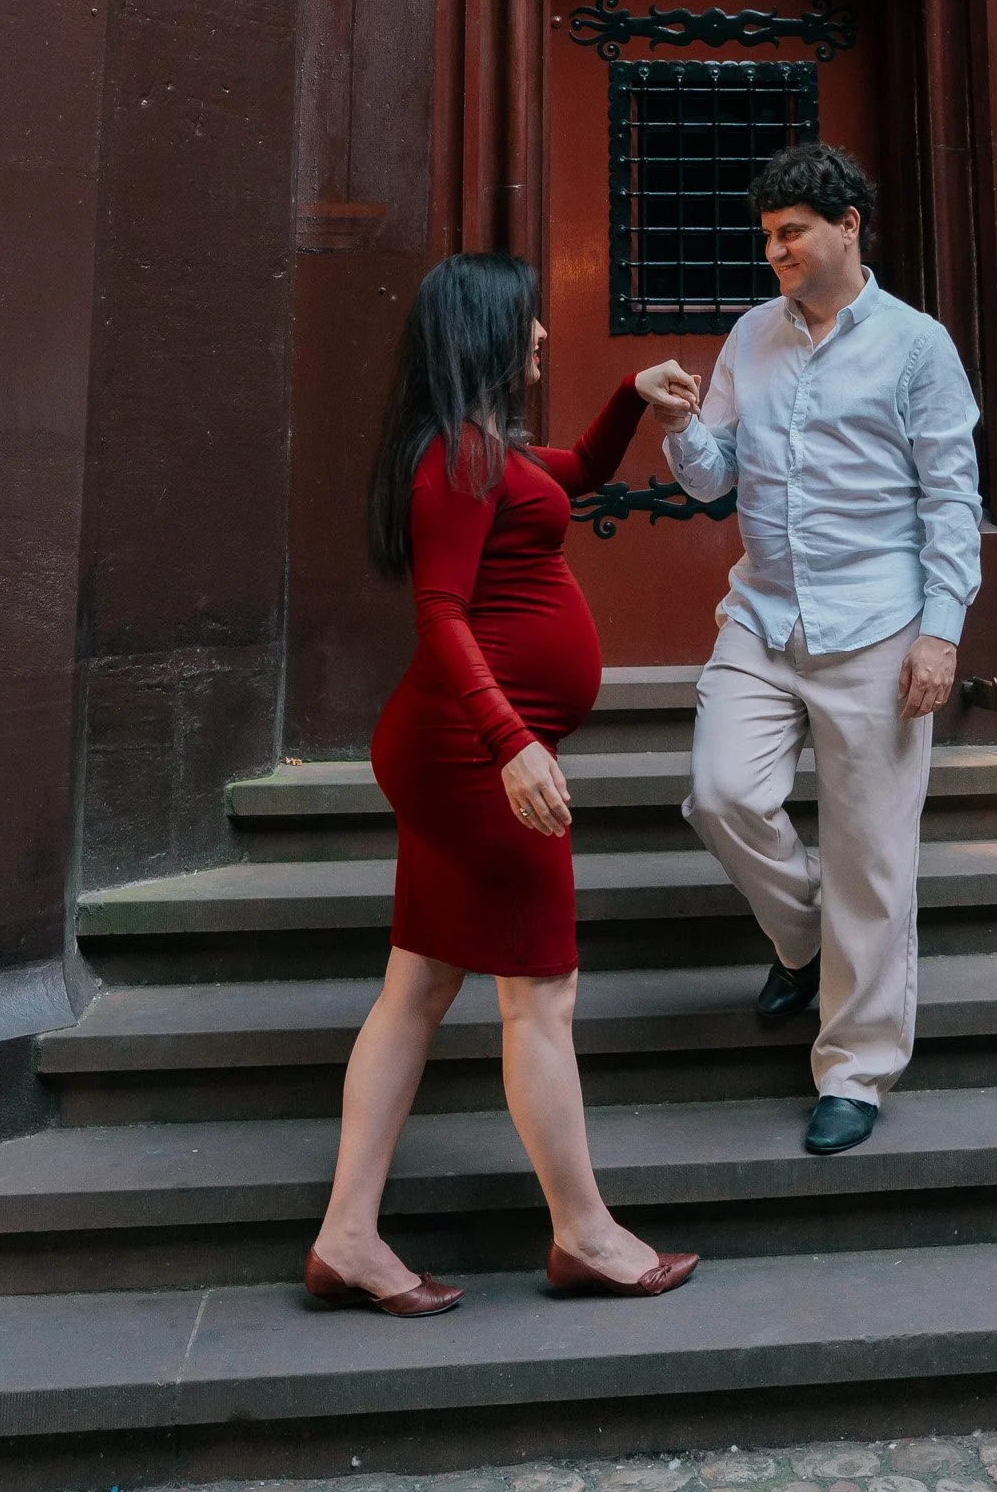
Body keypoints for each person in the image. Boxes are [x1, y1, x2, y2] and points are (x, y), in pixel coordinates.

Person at [304, 252, 699, 1317]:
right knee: (540, 993)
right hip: (470, 757)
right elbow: (439, 615)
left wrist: (628, 399)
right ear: (481, 332)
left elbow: (575, 476)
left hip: (456, 750)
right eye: (523, 325)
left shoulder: (486, 452)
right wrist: (512, 742)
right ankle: (582, 1233)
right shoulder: (454, 463)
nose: (537, 340)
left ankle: (346, 1237)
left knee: (419, 986)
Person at [642, 144, 982, 1157]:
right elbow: (709, 480)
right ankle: (801, 942)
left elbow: (949, 499)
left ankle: (855, 1072)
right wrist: (674, 426)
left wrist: (940, 631)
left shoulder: (917, 347)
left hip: (878, 626)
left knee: (872, 856)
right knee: (719, 794)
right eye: (766, 237)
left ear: (847, 226)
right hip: (762, 616)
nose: (776, 250)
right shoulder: (750, 336)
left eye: (791, 231)